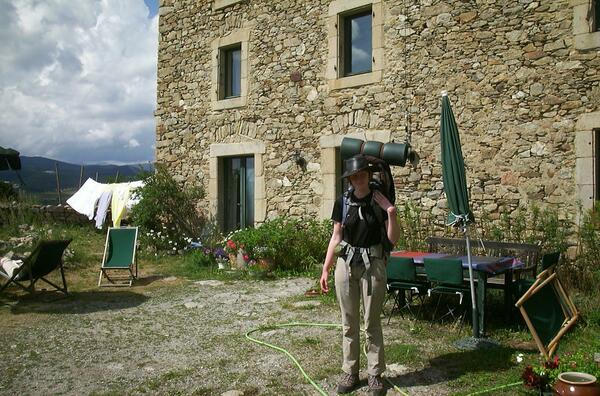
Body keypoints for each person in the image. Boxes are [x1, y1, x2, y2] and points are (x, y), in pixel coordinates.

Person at [320, 154, 400, 396]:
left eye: (362, 175)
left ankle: (375, 375)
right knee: (348, 323)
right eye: (354, 177)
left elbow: (392, 240)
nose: (359, 180)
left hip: (373, 264)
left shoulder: (379, 200)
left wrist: (391, 212)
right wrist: (326, 268)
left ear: (368, 175)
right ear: (350, 179)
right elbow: (336, 237)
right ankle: (350, 371)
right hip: (346, 264)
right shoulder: (343, 202)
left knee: (371, 323)